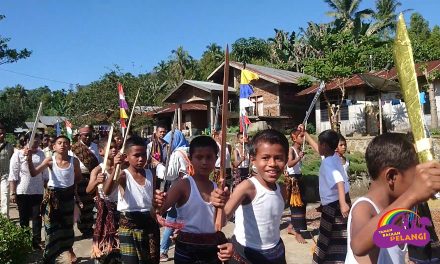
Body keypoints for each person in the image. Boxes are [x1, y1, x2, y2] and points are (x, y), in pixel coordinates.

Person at [346, 133, 440, 263]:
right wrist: (412, 194)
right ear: (391, 177)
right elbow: (358, 245)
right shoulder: (364, 208)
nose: (417, 184)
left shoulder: (398, 211)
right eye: (415, 178)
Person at [212, 129, 289, 264]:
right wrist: (219, 205)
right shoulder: (247, 187)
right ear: (253, 159)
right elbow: (222, 221)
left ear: (286, 159)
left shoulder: (282, 190)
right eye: (265, 158)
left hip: (275, 251)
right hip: (246, 254)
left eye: (278, 158)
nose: (272, 164)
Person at [153, 135, 233, 264]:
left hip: (212, 248)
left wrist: (222, 205)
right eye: (199, 157)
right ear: (190, 159)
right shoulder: (183, 185)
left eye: (209, 157)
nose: (204, 162)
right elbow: (160, 208)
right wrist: (157, 201)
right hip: (187, 250)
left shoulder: (217, 188)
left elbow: (221, 223)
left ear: (216, 159)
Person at [103, 136, 159, 264]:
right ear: (126, 157)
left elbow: (153, 199)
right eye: (136, 155)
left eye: (144, 154)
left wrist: (158, 205)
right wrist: (116, 168)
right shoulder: (123, 175)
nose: (141, 159)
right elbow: (107, 191)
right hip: (129, 225)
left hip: (149, 224)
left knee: (150, 260)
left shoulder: (151, 174)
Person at [26, 135, 82, 263]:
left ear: (69, 146)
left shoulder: (74, 161)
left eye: (65, 143)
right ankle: (49, 258)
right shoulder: (49, 160)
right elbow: (34, 173)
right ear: (54, 146)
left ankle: (68, 251)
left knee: (67, 228)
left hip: (67, 199)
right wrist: (29, 160)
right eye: (59, 143)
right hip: (52, 200)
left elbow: (78, 177)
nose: (63, 145)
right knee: (50, 229)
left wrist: (70, 189)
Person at [312, 129, 351, 264]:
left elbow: (339, 180)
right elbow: (319, 150)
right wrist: (305, 133)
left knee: (328, 237)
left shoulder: (328, 163)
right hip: (338, 201)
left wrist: (342, 204)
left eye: (319, 143)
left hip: (334, 205)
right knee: (337, 235)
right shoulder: (333, 156)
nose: (317, 146)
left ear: (324, 146)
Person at [8, 135, 47, 250]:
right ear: (26, 141)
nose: (35, 142)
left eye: (37, 139)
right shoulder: (18, 154)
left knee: (37, 217)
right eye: (32, 140)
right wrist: (12, 192)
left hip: (38, 191)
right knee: (24, 218)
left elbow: (44, 173)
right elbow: (13, 174)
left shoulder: (41, 154)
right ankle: (24, 241)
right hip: (22, 191)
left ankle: (36, 241)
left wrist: (47, 188)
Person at [157, 130, 191, 262]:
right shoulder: (189, 150)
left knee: (170, 222)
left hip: (179, 190)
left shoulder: (177, 153)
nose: (167, 146)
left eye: (168, 142)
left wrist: (158, 166)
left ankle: (163, 251)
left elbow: (170, 174)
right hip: (191, 189)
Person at [86, 137, 120, 261]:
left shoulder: (122, 168)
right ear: (101, 151)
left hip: (120, 210)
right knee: (103, 247)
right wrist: (96, 182)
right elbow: (88, 190)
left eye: (116, 147)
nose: (114, 150)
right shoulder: (98, 170)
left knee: (119, 246)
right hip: (103, 211)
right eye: (110, 147)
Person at [71, 125, 100, 237]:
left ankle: (89, 226)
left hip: (94, 177)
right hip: (80, 177)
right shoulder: (75, 148)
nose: (88, 137)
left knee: (92, 203)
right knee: (83, 203)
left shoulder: (95, 146)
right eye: (85, 135)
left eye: (89, 135)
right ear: (80, 136)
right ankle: (83, 227)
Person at [285, 126, 307, 243]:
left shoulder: (299, 150)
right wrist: (299, 158)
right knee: (296, 206)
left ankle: (291, 227)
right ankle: (298, 232)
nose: (303, 138)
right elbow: (289, 164)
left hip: (300, 178)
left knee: (302, 204)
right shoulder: (291, 150)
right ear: (294, 138)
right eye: (301, 136)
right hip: (294, 181)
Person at [147, 122, 168, 189]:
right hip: (152, 173)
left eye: (164, 132)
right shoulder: (150, 145)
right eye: (160, 132)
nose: (162, 133)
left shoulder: (168, 145)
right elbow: (147, 159)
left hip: (163, 173)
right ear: (156, 132)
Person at [0, 124, 14, 218]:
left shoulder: (9, 146)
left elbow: (12, 160)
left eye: (3, 133)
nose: (1, 135)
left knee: (5, 196)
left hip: (5, 175)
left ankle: (4, 220)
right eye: (0, 133)